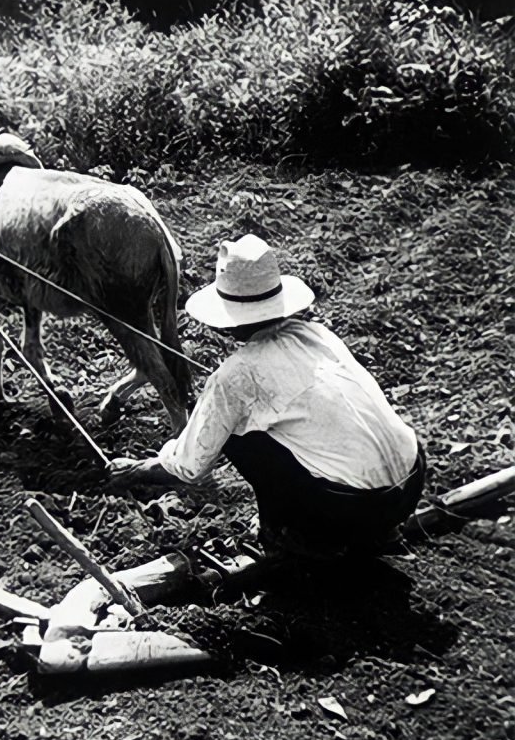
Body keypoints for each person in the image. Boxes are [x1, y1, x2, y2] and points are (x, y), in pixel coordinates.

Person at [108, 234, 425, 560]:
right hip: (412, 478)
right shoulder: (319, 335)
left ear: (227, 321)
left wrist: (136, 471)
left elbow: (190, 466)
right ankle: (383, 529)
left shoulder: (235, 376)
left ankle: (281, 534)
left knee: (237, 434)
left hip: (354, 507)